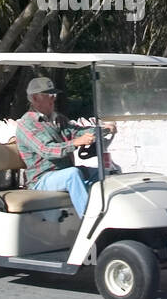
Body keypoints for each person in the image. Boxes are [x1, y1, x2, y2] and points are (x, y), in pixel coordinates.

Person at [14, 76, 117, 217]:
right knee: (72, 175)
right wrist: (75, 143)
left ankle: (112, 216)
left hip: (64, 171)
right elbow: (47, 150)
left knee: (108, 173)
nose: (53, 99)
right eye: (49, 95)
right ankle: (90, 221)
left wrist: (103, 129)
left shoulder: (58, 119)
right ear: (35, 98)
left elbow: (77, 131)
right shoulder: (27, 124)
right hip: (41, 179)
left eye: (54, 95)